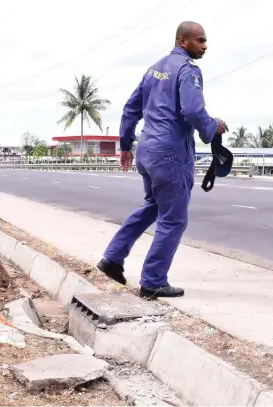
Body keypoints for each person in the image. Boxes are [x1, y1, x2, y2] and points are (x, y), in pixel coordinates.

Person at [96, 21, 228, 299]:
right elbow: (192, 110)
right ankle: (153, 280)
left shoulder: (153, 69)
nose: (205, 46)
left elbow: (130, 108)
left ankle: (112, 258)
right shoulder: (188, 70)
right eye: (200, 41)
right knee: (174, 219)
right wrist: (211, 126)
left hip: (147, 151)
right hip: (170, 154)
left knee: (153, 206)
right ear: (183, 41)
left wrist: (125, 145)